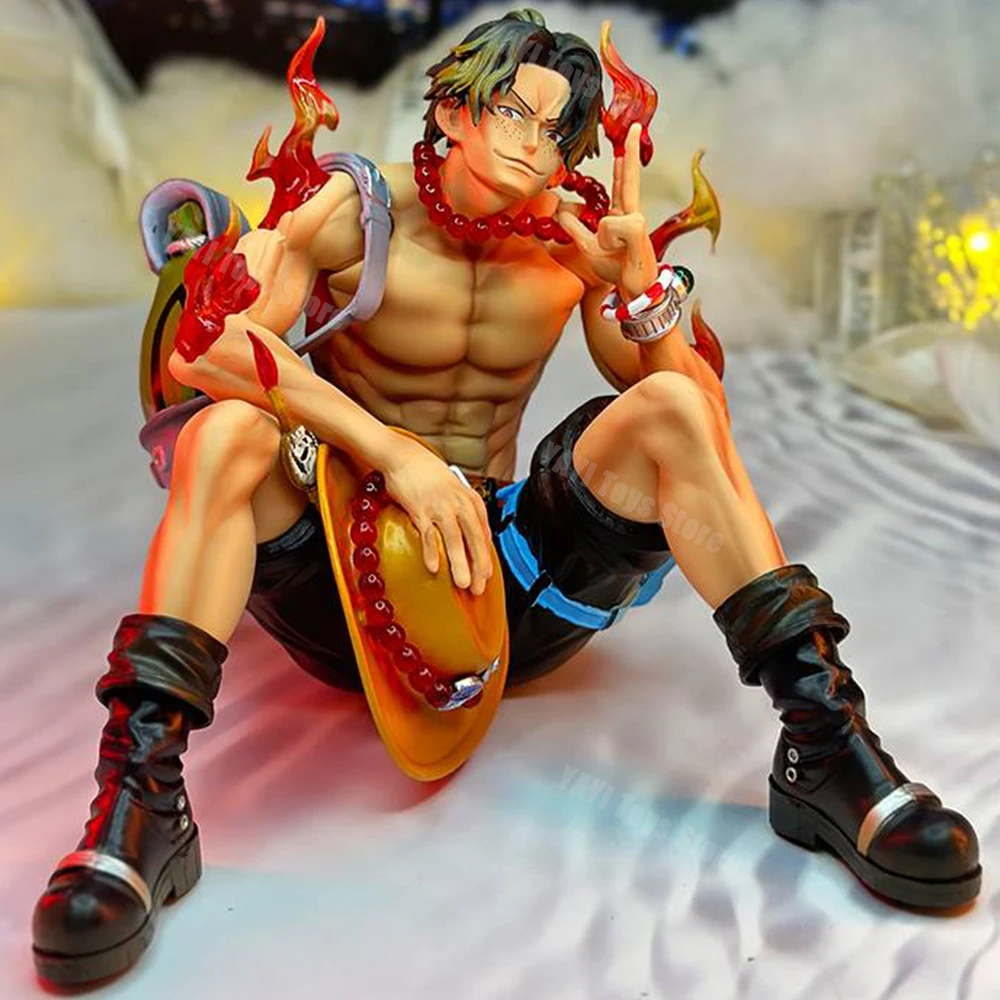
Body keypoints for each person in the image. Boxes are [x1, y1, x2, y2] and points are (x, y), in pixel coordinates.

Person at [32, 8, 980, 988]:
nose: (533, 148)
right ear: (453, 109)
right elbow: (208, 351)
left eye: (555, 131)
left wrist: (639, 288)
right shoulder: (354, 210)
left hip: (512, 587)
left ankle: (824, 745)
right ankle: (144, 799)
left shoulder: (567, 241)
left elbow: (697, 421)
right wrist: (389, 450)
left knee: (667, 411)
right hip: (343, 583)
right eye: (514, 115)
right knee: (227, 431)